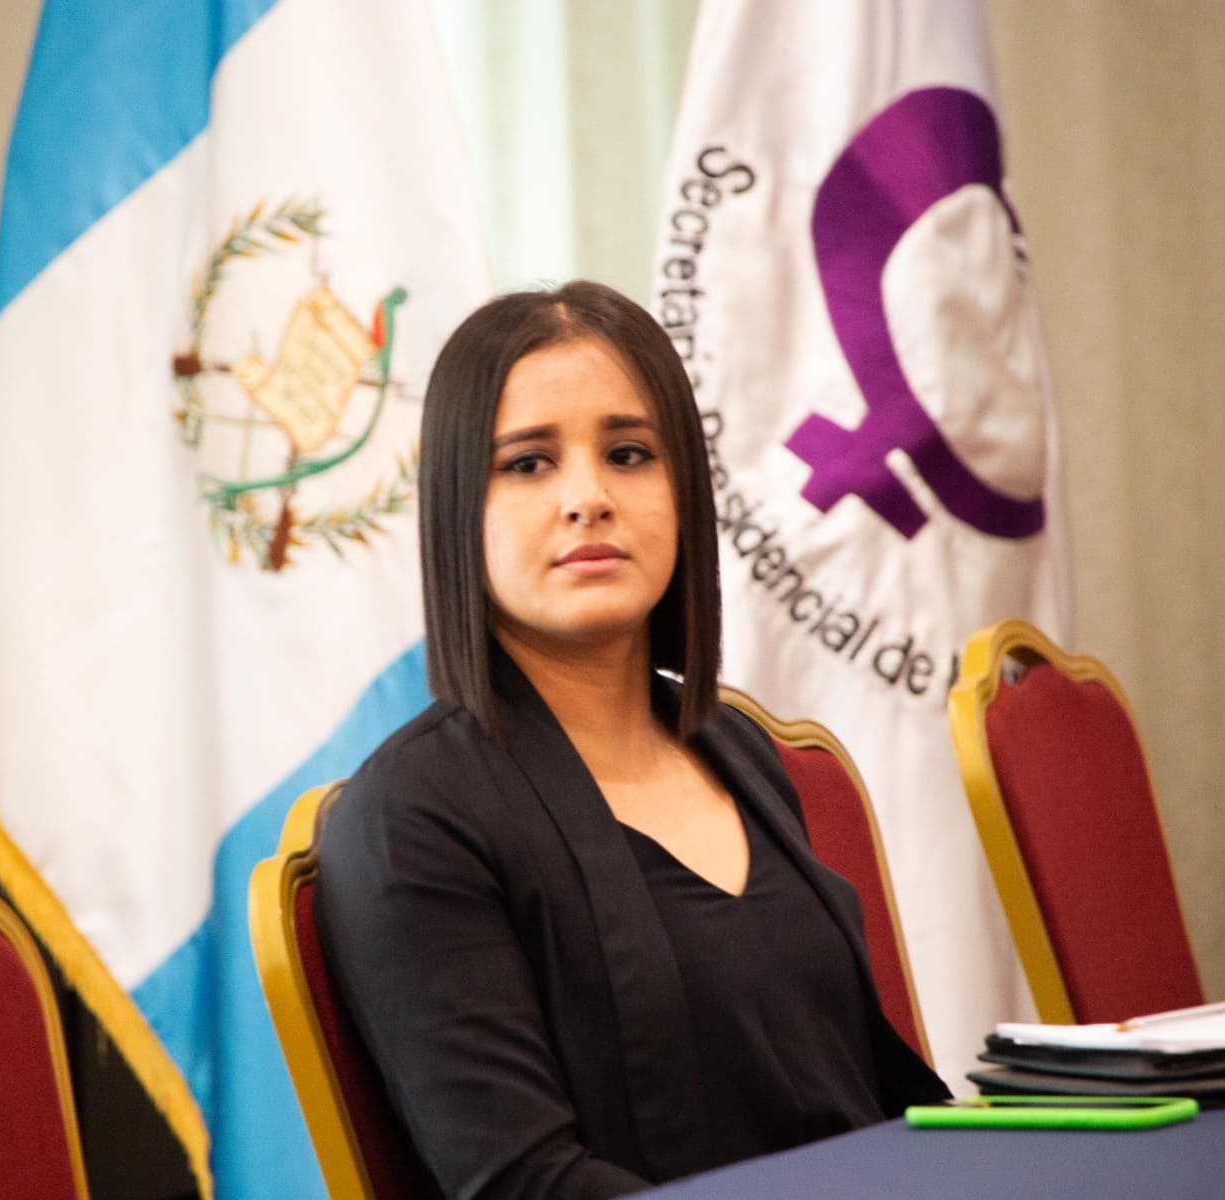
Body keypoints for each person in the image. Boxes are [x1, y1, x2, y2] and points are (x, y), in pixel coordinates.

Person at [315, 281, 948, 1200]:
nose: (588, 497)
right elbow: (524, 1182)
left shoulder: (738, 749)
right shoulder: (411, 817)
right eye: (528, 463)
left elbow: (866, 1094)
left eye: (628, 454)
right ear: (458, 511)